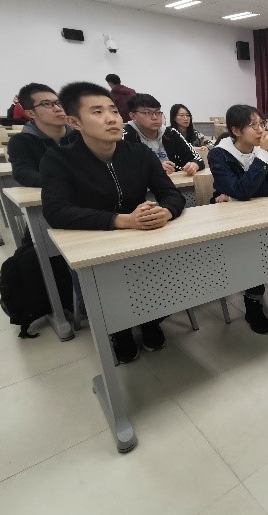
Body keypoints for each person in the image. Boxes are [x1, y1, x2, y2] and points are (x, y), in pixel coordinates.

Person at [40, 81, 186, 363]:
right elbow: (56, 211)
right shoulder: (58, 159)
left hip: (139, 239)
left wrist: (166, 211)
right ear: (74, 122)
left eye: (113, 111)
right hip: (93, 241)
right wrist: (121, 220)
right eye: (97, 112)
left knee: (158, 280)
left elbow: (171, 194)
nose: (111, 119)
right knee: (105, 296)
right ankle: (119, 331)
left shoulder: (139, 154)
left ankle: (150, 319)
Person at [208, 104, 268, 333]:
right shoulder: (218, 154)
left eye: (262, 124)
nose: (261, 130)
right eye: (254, 125)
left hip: (265, 214)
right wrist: (261, 160)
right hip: (234, 222)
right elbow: (241, 190)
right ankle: (253, 304)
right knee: (251, 251)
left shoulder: (262, 149)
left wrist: (235, 194)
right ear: (236, 130)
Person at [8, 83, 79, 188]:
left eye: (58, 103)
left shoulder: (81, 135)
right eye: (46, 104)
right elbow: (23, 173)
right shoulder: (21, 141)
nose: (58, 108)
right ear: (30, 113)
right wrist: (65, 180)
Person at [122, 93, 204, 175]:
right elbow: (123, 169)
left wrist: (194, 165)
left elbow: (197, 158)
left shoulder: (170, 133)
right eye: (147, 113)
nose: (155, 117)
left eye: (158, 112)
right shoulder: (124, 136)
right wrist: (155, 169)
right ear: (133, 116)